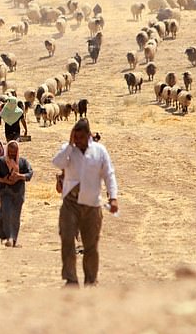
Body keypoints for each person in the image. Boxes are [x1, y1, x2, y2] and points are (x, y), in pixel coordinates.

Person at [52, 119, 119, 287]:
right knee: (67, 239)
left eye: (81, 137)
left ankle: (91, 280)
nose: (78, 140)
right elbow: (57, 163)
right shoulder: (68, 151)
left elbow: (109, 174)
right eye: (76, 137)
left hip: (92, 204)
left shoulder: (99, 151)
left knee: (90, 245)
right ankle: (71, 279)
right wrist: (69, 145)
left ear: (88, 135)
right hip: (70, 203)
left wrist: (113, 197)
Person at [0, 141, 33, 248]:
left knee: (16, 217)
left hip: (18, 193)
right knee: (6, 213)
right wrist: (4, 180)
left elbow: (30, 174)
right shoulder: (1, 162)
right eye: (10, 151)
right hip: (5, 192)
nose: (12, 154)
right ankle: (8, 238)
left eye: (14, 152)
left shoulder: (23, 162)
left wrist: (19, 176)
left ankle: (14, 239)